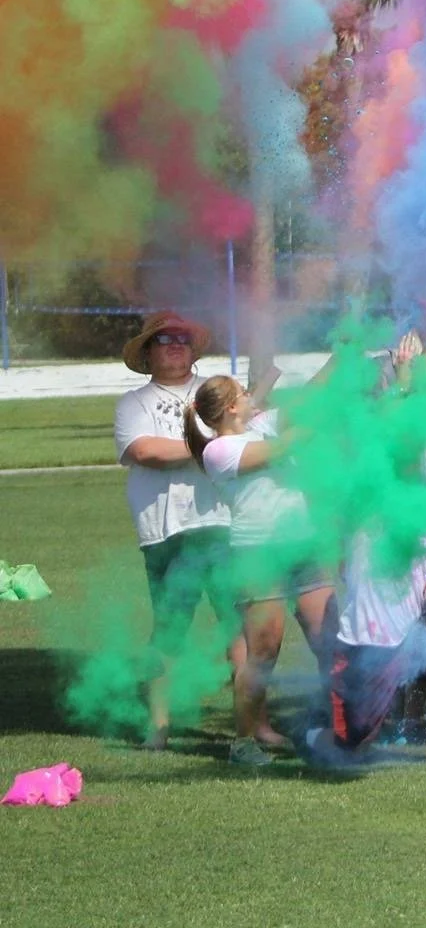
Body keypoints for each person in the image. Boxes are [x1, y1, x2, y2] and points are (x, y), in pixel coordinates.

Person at [184, 372, 334, 766]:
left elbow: (308, 397)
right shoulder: (219, 450)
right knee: (264, 652)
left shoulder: (259, 426)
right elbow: (282, 448)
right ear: (231, 407)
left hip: (304, 545)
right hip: (258, 556)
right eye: (244, 393)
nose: (252, 397)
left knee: (331, 640)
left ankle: (336, 726)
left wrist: (345, 348)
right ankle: (244, 743)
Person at [113, 311, 240, 749]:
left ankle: (249, 727)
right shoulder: (134, 403)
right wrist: (207, 447)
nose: (174, 343)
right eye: (163, 338)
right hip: (164, 531)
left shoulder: (217, 393)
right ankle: (159, 726)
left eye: (182, 337)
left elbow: (244, 435)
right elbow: (145, 450)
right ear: (148, 352)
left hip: (222, 524)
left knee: (238, 625)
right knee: (168, 630)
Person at [312, 508, 426, 769]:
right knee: (349, 749)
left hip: (413, 639)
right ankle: (309, 731)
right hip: (367, 646)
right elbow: (344, 565)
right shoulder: (361, 512)